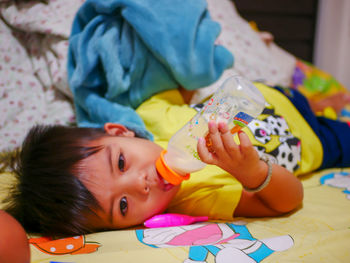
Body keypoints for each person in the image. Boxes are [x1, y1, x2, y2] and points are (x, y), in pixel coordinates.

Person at [3, 82, 350, 237]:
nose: (140, 184)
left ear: (121, 131)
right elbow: (290, 200)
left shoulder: (151, 114)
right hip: (317, 142)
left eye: (121, 163)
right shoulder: (195, 196)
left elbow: (182, 84)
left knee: (306, 100)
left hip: (275, 96)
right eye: (122, 206)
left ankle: (321, 101)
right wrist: (252, 171)